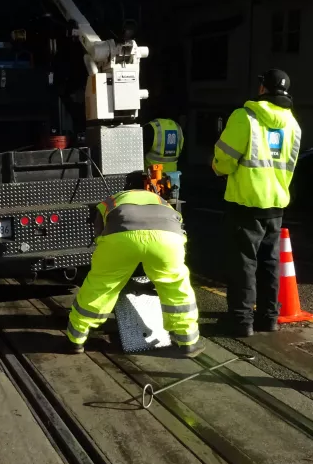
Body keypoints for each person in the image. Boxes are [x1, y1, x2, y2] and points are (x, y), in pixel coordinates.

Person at [212, 69, 301, 337]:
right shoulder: (293, 125)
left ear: (263, 88)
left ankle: (241, 321)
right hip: (275, 205)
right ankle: (268, 317)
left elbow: (224, 161)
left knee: (243, 265)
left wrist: (216, 166)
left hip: (245, 203)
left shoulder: (245, 117)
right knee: (269, 263)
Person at [66, 189, 203, 356]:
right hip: (167, 240)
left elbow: (99, 231)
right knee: (176, 286)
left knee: (100, 285)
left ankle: (76, 340)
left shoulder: (109, 202)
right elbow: (178, 225)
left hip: (121, 240)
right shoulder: (162, 202)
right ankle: (187, 342)